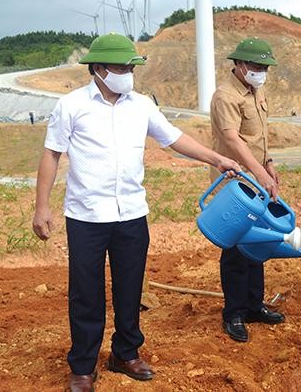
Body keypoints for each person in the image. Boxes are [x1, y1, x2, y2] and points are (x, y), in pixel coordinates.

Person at [32, 33, 240, 392]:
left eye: (131, 67)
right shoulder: (71, 106)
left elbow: (174, 138)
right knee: (86, 291)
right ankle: (83, 365)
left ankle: (125, 353)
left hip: (131, 212)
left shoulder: (141, 105)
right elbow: (51, 154)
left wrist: (217, 158)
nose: (128, 73)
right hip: (87, 215)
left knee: (130, 287)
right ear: (97, 69)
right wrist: (42, 206)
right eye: (121, 67)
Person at [210, 37, 284, 343]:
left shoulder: (258, 91)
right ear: (239, 65)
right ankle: (235, 312)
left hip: (259, 178)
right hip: (237, 182)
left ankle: (254, 305)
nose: (261, 71)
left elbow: (258, 137)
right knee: (236, 247)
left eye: (265, 67)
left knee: (258, 244)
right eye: (256, 66)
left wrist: (269, 165)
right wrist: (257, 173)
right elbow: (233, 140)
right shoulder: (225, 96)